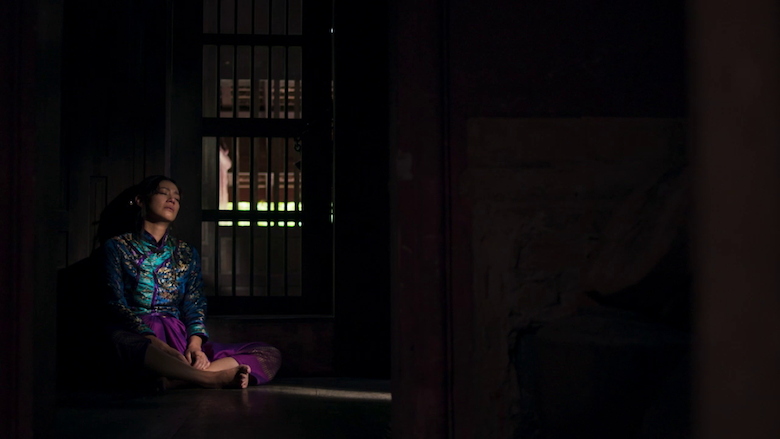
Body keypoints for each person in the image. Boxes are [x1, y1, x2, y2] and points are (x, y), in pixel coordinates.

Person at [100, 175, 281, 389]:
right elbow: (115, 304)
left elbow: (195, 304)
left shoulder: (185, 252)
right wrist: (158, 345)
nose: (172, 199)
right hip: (140, 336)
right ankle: (208, 378)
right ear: (140, 200)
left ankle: (175, 380)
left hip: (178, 336)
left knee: (268, 353)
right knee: (119, 341)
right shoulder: (117, 247)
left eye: (177, 197)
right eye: (163, 193)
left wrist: (195, 346)